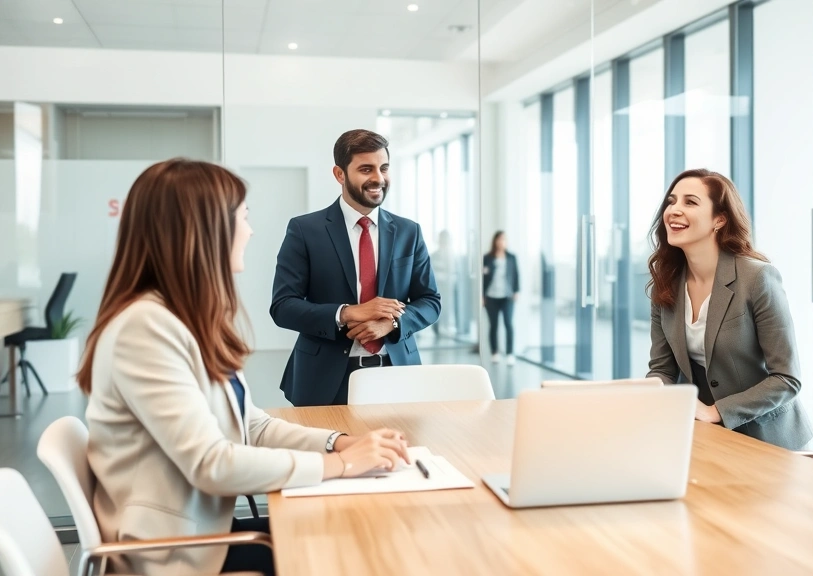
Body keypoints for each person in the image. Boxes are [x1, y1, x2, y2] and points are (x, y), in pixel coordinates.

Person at [78, 159, 410, 576]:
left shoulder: (179, 317)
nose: (249, 232)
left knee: (348, 534)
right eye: (243, 218)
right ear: (204, 230)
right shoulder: (145, 328)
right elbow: (211, 464)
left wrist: (338, 443)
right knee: (351, 555)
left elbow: (252, 426)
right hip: (176, 556)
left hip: (205, 531)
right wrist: (342, 466)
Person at [271, 129, 441, 406]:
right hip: (323, 380)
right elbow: (283, 306)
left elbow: (430, 301)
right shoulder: (305, 230)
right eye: (366, 169)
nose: (378, 178)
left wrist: (392, 323)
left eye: (383, 168)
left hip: (397, 373)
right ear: (340, 174)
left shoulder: (409, 231)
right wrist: (347, 313)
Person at [646, 168, 813, 450]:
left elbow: (787, 378)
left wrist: (715, 412)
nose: (674, 210)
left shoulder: (757, 278)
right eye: (671, 201)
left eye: (690, 202)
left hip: (770, 442)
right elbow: (662, 370)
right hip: (708, 439)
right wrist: (650, 395)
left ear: (719, 220)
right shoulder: (666, 284)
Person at [482, 231, 519, 365]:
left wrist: (516, 291)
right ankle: (495, 352)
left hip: (507, 296)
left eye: (504, 239)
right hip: (491, 296)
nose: (501, 242)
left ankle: (510, 353)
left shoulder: (511, 257)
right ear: (495, 241)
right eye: (499, 239)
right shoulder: (487, 258)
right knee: (493, 325)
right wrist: (482, 296)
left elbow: (516, 275)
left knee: (508, 324)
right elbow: (483, 278)